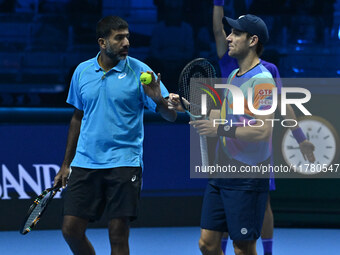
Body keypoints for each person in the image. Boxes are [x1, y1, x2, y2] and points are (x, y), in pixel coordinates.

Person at [53, 16, 177, 255]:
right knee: (71, 230)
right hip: (85, 162)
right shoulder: (82, 71)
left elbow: (170, 116)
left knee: (118, 235)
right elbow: (77, 117)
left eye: (127, 36)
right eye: (119, 38)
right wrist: (65, 164)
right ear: (102, 42)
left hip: (124, 162)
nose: (126, 42)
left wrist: (157, 98)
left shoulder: (142, 71)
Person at [212, 2, 315, 254]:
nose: (228, 37)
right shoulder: (228, 63)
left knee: (263, 202)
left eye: (236, 33)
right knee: (227, 203)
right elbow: (217, 29)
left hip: (255, 151)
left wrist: (301, 140)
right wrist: (218, 3)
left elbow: (283, 107)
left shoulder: (267, 71)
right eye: (229, 33)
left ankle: (266, 251)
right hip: (228, 147)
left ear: (252, 40)